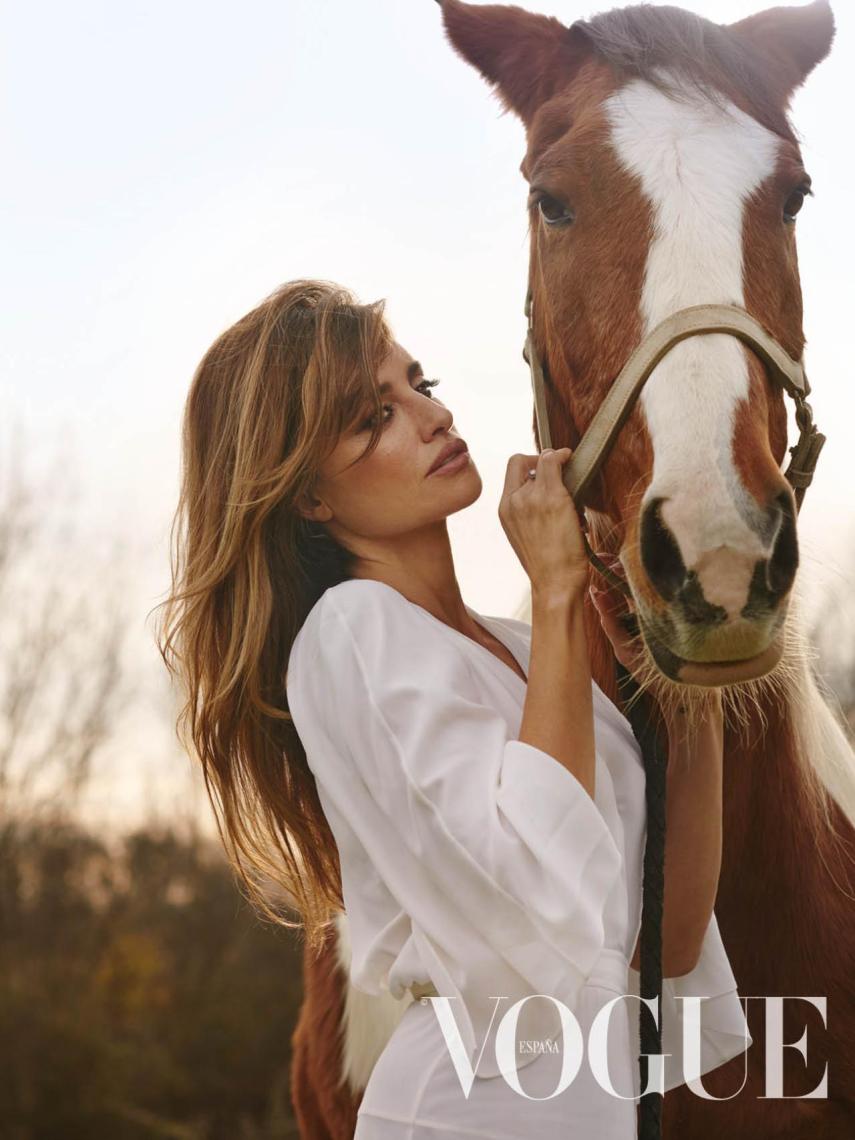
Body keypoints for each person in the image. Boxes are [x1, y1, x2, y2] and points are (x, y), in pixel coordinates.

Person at [158, 278, 752, 1140]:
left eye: (420, 386)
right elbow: (532, 891)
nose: (432, 417)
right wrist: (557, 587)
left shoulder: (520, 653)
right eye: (374, 417)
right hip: (462, 1113)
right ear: (310, 498)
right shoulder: (352, 631)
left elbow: (664, 942)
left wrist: (684, 689)